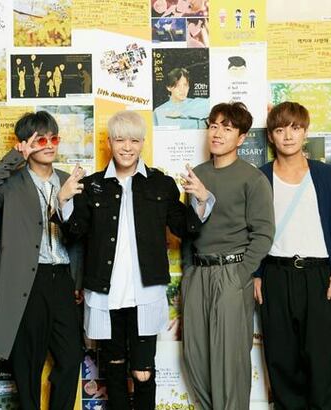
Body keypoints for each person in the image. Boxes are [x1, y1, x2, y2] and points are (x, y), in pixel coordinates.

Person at [55, 110, 212, 410]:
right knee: (113, 369)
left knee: (142, 372)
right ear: (109, 142)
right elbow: (74, 233)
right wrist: (63, 200)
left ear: (142, 143)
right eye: (119, 140)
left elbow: (185, 228)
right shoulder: (92, 185)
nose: (127, 147)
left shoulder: (161, 184)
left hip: (145, 294)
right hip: (105, 293)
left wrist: (201, 200)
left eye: (134, 141)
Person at [0, 111, 83, 410]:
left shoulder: (68, 180)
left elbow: (79, 235)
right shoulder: (12, 182)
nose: (48, 145)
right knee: (27, 363)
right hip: (28, 281)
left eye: (53, 139)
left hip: (62, 278)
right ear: (26, 143)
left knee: (71, 358)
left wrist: (78, 279)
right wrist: (16, 156)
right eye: (40, 140)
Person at [255, 101, 331, 409]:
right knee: (283, 364)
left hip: (321, 277)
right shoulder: (260, 178)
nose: (288, 136)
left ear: (305, 132)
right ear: (270, 136)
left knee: (327, 364)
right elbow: (250, 230)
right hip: (275, 275)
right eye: (280, 130)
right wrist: (256, 273)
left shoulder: (327, 176)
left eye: (295, 128)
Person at [181, 102, 274, 410]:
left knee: (228, 362)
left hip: (231, 274)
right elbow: (188, 229)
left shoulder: (252, 179)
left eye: (227, 128)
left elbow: (263, 233)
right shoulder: (197, 175)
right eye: (214, 126)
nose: (218, 133)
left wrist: (240, 274)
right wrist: (188, 272)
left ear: (242, 137)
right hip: (198, 274)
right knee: (195, 358)